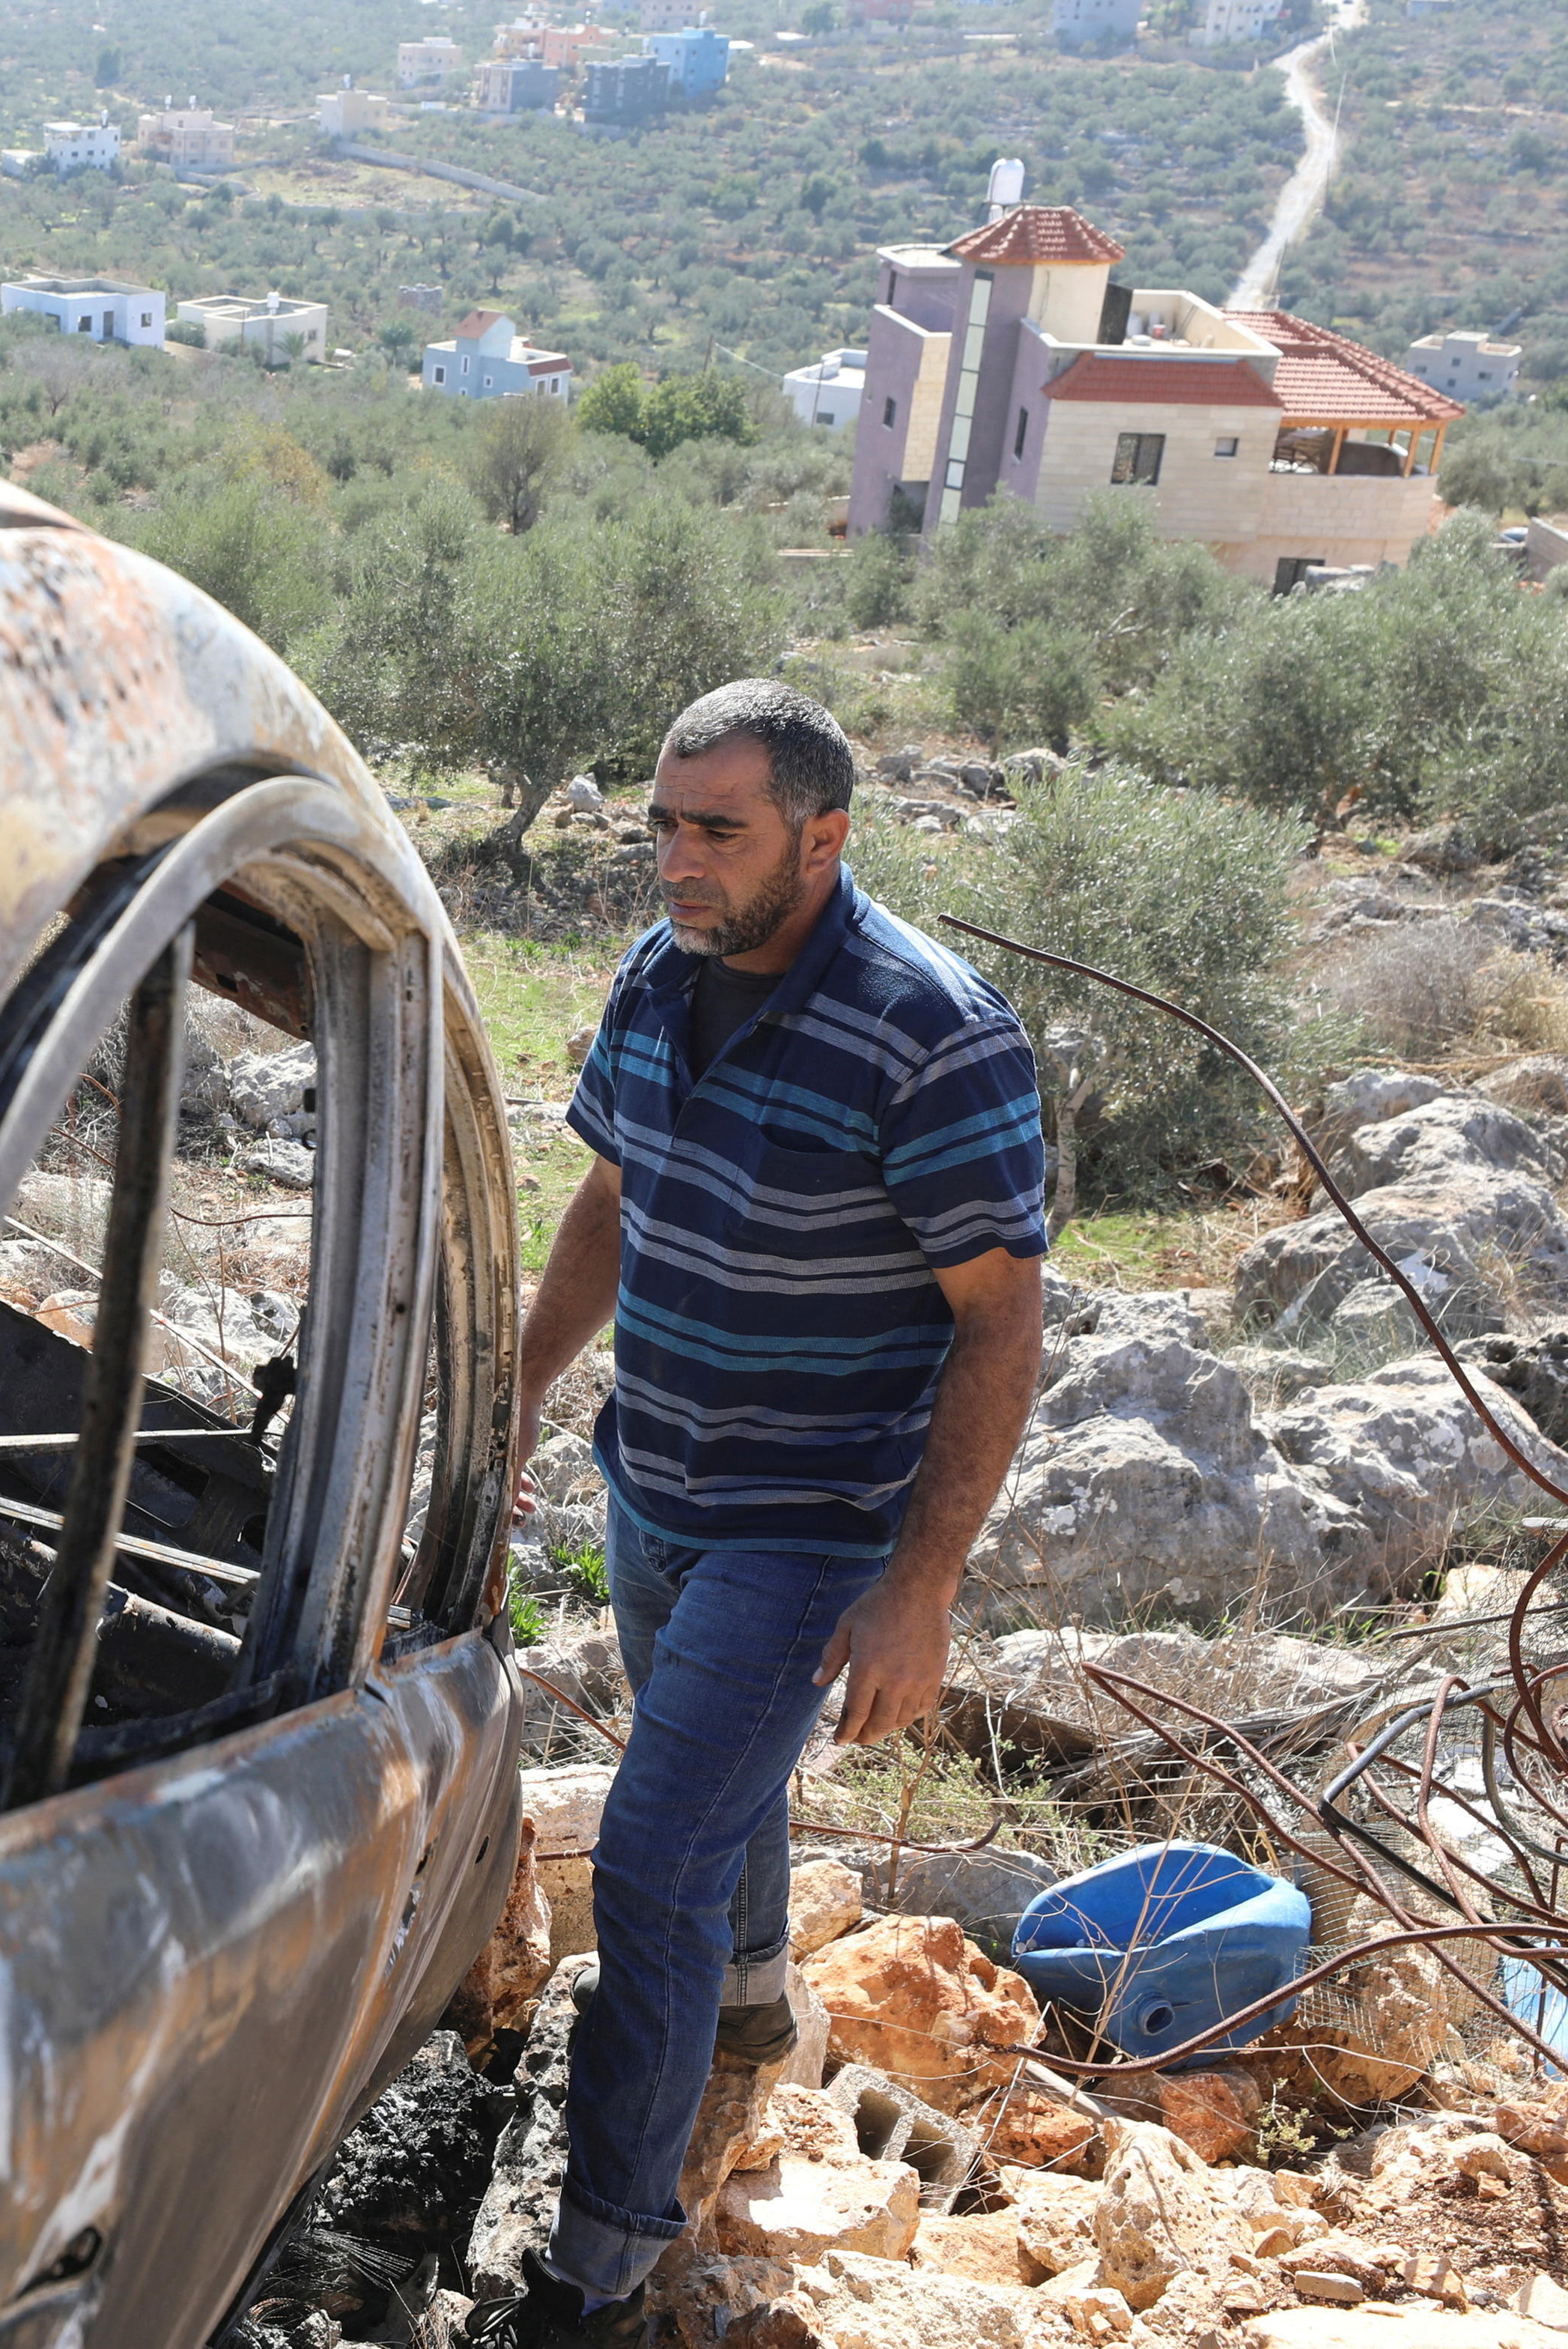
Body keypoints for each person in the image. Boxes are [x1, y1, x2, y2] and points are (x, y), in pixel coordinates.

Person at [479, 682, 1050, 2342]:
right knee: (708, 1794)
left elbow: (999, 1315)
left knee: (651, 1861)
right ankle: (738, 2028)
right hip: (651, 1474)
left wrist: (921, 1582)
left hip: (807, 1520)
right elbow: (607, 1192)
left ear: (823, 834)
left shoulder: (928, 1028)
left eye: (716, 828)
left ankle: (594, 2259)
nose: (678, 858)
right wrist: (520, 1386)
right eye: (663, 823)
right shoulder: (659, 973)